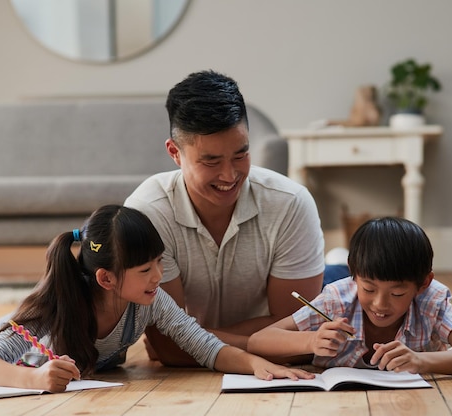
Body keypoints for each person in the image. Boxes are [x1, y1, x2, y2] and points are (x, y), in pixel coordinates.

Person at [0, 205, 314, 392]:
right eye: (145, 270)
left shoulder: (150, 300)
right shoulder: (52, 310)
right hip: (37, 350)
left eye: (158, 263)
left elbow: (205, 346)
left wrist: (257, 363)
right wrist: (33, 379)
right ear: (106, 278)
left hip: (66, 357)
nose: (158, 276)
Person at [124, 70, 325, 365]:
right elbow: (167, 345)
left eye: (240, 155)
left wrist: (192, 339)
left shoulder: (291, 203)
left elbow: (301, 334)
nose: (229, 175)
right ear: (175, 153)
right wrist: (269, 343)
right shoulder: (148, 214)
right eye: (211, 161)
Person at [248, 217, 452, 377]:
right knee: (331, 270)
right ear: (355, 277)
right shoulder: (336, 299)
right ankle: (338, 259)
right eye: (369, 289)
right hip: (335, 276)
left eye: (397, 293)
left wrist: (422, 361)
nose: (380, 304)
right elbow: (258, 341)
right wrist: (310, 341)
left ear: (422, 284)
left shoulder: (431, 300)